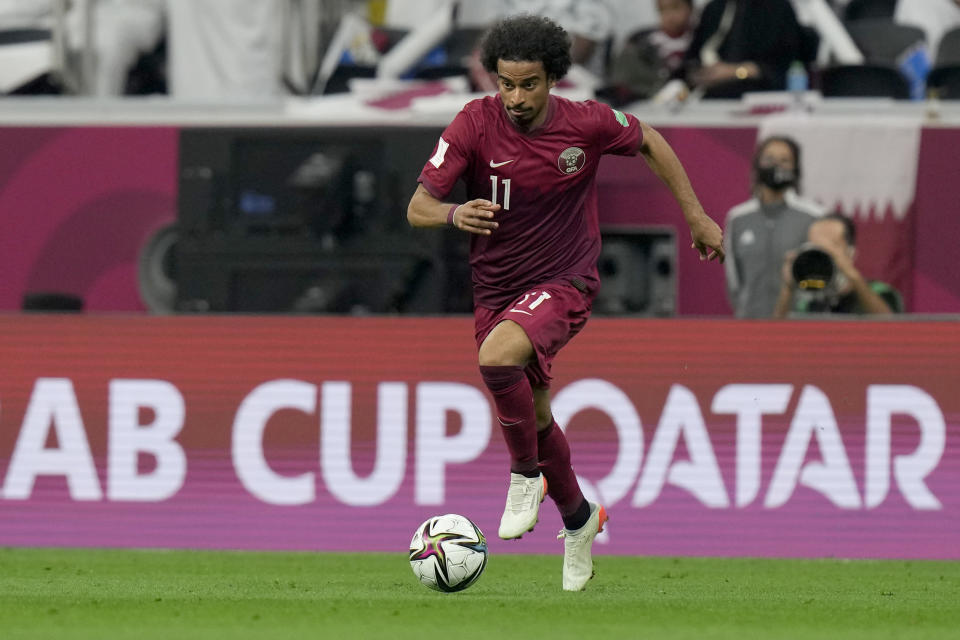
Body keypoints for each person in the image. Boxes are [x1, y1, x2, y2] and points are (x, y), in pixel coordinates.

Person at [406, 14, 724, 591]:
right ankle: (580, 520)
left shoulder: (587, 123)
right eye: (506, 83)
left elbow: (650, 138)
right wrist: (455, 213)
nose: (516, 97)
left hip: (564, 279)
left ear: (553, 78)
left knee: (498, 359)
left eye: (529, 84)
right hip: (497, 288)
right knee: (538, 414)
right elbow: (418, 205)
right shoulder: (473, 124)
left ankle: (525, 476)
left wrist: (696, 215)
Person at [723, 135, 826, 318]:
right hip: (750, 325)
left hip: (800, 327)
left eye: (784, 160)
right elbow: (734, 281)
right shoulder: (738, 218)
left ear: (796, 167)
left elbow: (820, 278)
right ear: (757, 164)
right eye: (769, 159)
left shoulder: (814, 216)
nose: (776, 165)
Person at [773, 212, 904, 316]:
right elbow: (777, 338)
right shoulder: (809, 301)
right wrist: (788, 287)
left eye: (831, 246)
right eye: (816, 247)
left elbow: (890, 325)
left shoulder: (882, 292)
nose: (823, 254)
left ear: (851, 251)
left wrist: (852, 275)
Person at [682, 0, 810, 98]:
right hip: (710, 99)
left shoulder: (778, 8)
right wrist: (700, 74)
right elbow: (693, 58)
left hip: (763, 96)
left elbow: (786, 65)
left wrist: (737, 72)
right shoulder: (715, 8)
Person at [604, 0, 696, 104]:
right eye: (662, 10)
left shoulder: (701, 41)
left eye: (675, 7)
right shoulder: (640, 42)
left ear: (691, 9)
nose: (669, 15)